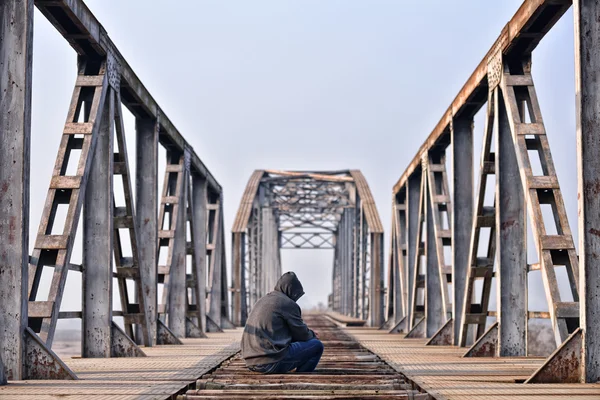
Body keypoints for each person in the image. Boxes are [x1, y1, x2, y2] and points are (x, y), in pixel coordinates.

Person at [241, 271, 324, 374]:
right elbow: (302, 335)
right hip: (270, 363)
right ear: (292, 291)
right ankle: (302, 375)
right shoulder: (287, 303)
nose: (295, 299)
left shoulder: (263, 300)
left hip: (251, 362)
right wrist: (312, 334)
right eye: (296, 295)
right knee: (316, 345)